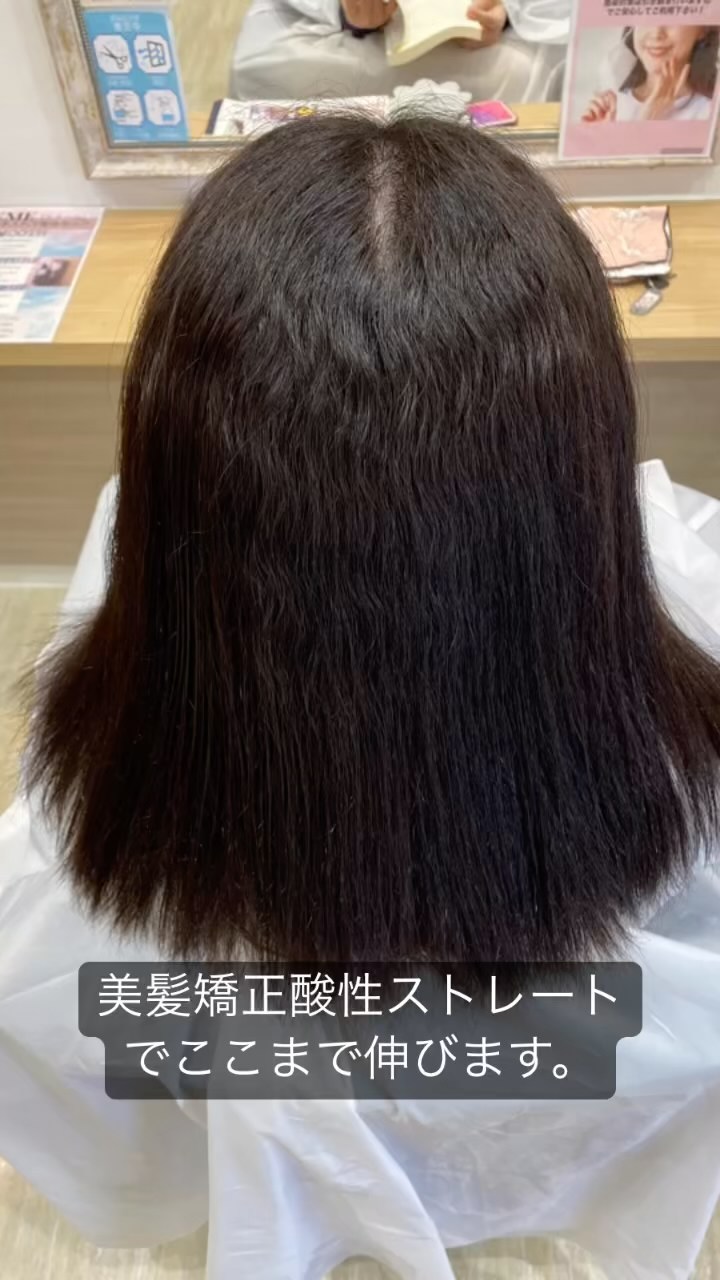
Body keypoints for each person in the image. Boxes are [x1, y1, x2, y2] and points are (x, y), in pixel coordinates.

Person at [2, 115, 720, 1280]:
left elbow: (77, 1056)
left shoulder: (73, 865)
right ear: (571, 479)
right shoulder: (672, 778)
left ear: (184, 471)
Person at [230, 0, 569, 105]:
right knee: (262, 64)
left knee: (533, 69)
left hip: (476, 44)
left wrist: (506, 12)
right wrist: (344, 9)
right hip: (337, 37)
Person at [582, 25, 719, 123]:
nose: (656, 33)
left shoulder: (712, 114)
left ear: (703, 29)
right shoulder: (608, 110)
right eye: (646, 15)